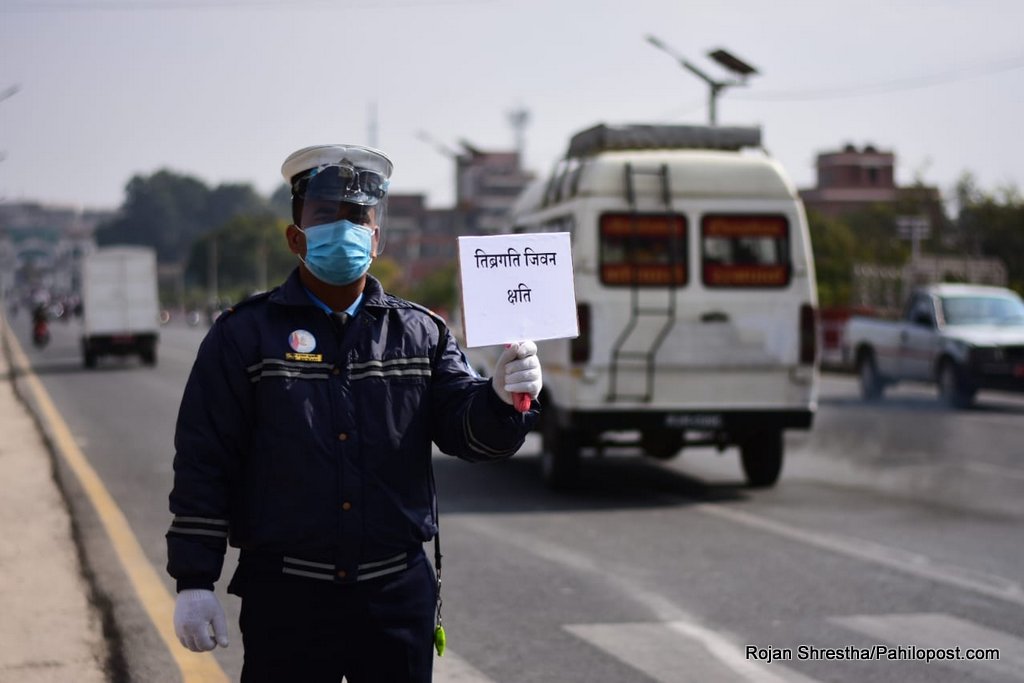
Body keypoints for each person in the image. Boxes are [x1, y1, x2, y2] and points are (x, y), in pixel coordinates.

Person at [166, 144, 542, 682]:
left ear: (377, 235)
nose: (343, 228)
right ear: (295, 235)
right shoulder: (243, 336)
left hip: (396, 598)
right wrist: (194, 579)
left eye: (357, 216)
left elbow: (471, 436)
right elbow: (205, 461)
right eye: (325, 215)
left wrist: (502, 401)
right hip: (287, 599)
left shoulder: (421, 334)